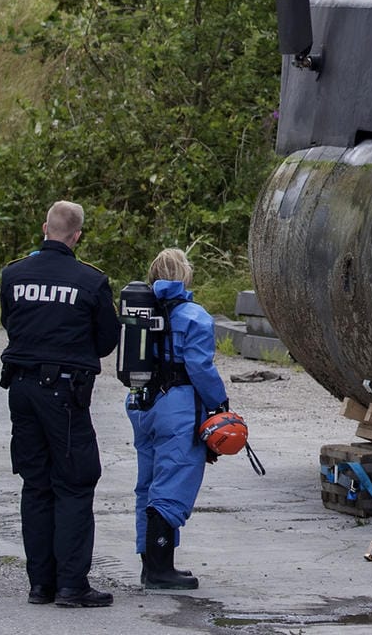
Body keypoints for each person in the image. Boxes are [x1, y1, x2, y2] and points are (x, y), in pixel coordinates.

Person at [0, 200, 119, 608]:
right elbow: (106, 341)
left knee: (36, 485)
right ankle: (71, 585)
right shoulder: (90, 281)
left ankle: (40, 584)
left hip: (22, 391)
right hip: (64, 396)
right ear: (77, 236)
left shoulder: (13, 274)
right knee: (74, 482)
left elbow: (9, 321)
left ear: (44, 228)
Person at [126, 247, 228, 591]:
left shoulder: (140, 311)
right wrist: (219, 403)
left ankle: (152, 564)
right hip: (178, 409)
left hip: (142, 405)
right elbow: (200, 366)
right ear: (185, 275)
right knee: (172, 485)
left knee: (148, 485)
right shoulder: (194, 317)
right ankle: (160, 571)